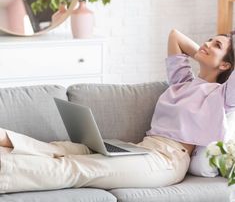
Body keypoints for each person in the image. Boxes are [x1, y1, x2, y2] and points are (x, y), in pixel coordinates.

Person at [0, 29, 234, 193]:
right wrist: (206, 54)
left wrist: (212, 57)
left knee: (77, 167)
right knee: (65, 148)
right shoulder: (182, 81)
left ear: (226, 65)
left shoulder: (221, 97)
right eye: (210, 39)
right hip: (140, 149)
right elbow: (175, 35)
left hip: (165, 161)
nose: (207, 43)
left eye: (217, 45)